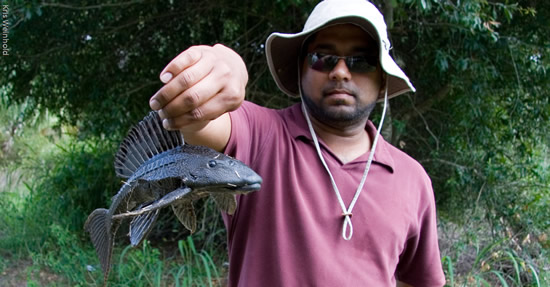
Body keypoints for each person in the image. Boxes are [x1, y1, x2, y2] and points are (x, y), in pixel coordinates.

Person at [149, 0, 446, 286]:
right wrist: (225, 66)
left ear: (382, 79)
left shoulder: (413, 179)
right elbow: (194, 120)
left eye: (361, 61)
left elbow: (417, 280)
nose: (340, 71)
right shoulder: (259, 135)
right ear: (301, 69)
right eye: (322, 58)